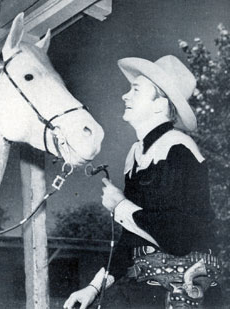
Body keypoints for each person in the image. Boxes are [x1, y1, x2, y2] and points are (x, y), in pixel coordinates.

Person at [63, 55, 223, 309]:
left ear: (160, 105)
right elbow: (134, 238)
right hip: (151, 282)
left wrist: (121, 206)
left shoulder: (179, 149)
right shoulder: (137, 154)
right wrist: (93, 289)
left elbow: (178, 239)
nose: (125, 96)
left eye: (135, 90)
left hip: (186, 286)